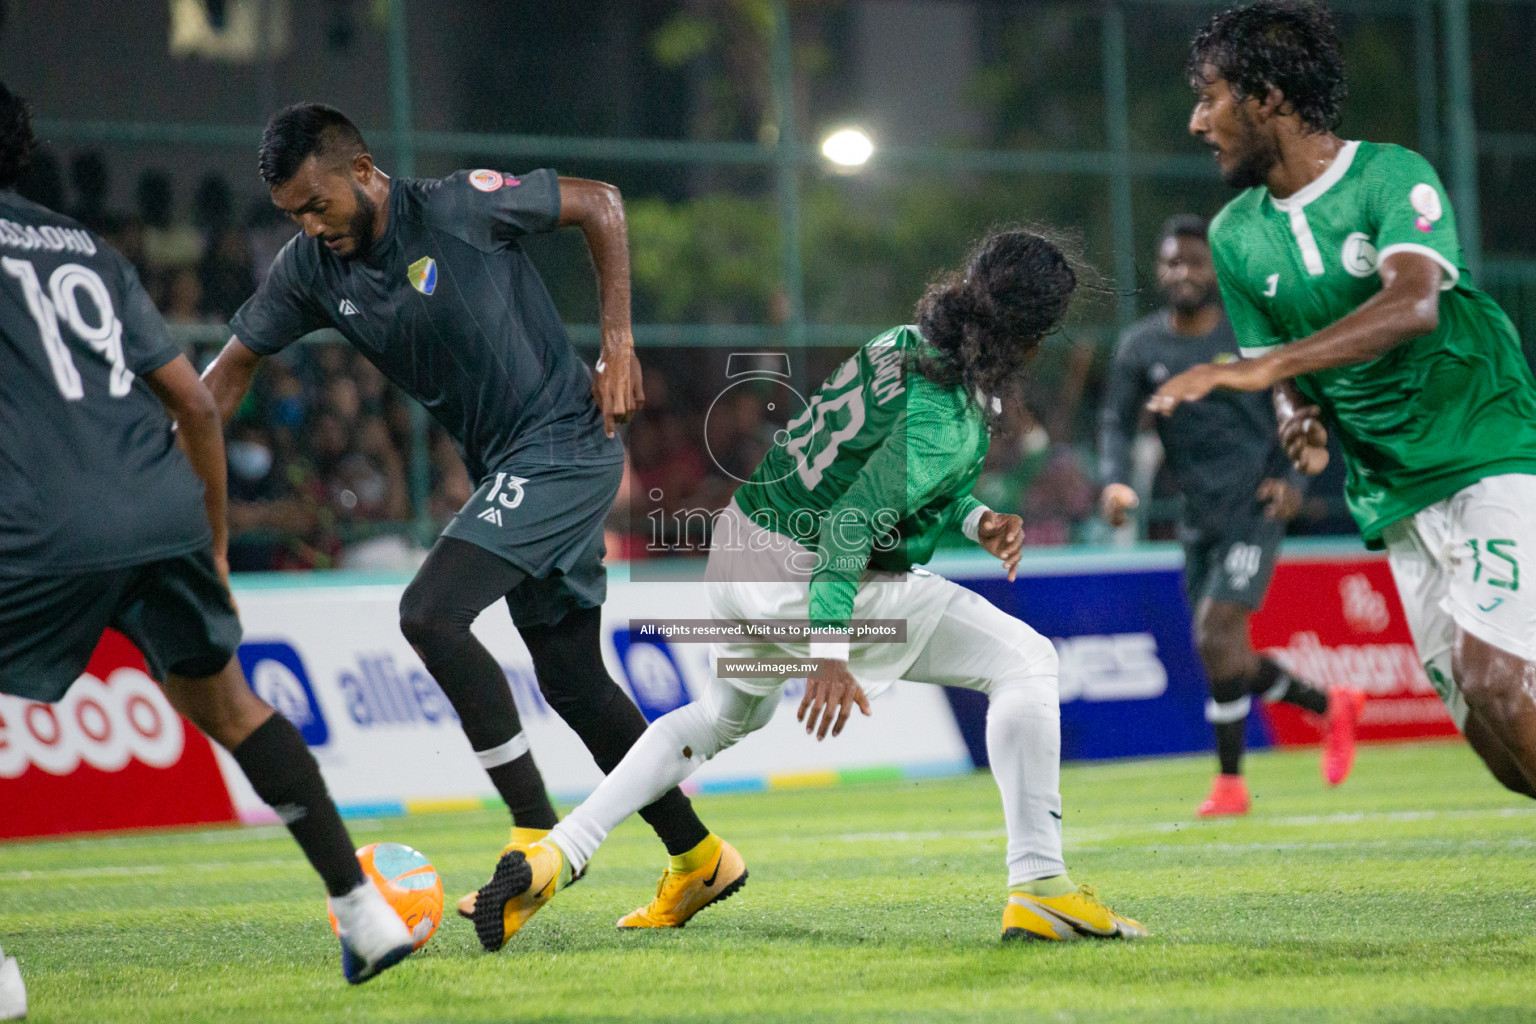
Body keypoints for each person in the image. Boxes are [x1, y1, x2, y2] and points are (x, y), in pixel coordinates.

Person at [468, 228, 1147, 947]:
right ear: (1032, 339)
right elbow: (854, 524)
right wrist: (829, 651)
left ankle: (558, 851)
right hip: (806, 575)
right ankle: (1041, 885)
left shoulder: (901, 343)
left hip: (742, 546)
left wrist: (976, 519)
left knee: (726, 718)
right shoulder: (948, 416)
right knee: (1026, 662)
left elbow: (868, 472)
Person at [200, 104, 742, 951]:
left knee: (429, 612)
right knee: (571, 680)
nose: (309, 227)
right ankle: (699, 856)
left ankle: (534, 836)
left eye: (317, 204)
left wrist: (618, 342)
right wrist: (162, 461)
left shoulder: (456, 206)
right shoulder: (312, 271)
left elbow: (600, 202)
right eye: (291, 215)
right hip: (513, 469)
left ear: (365, 171)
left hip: (565, 442)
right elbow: (225, 377)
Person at [0, 83, 414, 1001]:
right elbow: (193, 401)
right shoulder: (86, 250)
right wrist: (213, 546)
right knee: (231, 708)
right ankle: (362, 910)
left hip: (37, 520)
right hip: (157, 507)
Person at [1151, 0, 1536, 800]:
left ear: (1266, 96)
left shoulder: (1391, 175)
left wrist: (1266, 374)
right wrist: (1296, 416)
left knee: (1495, 675)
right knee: (1500, 745)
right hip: (1391, 493)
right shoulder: (1234, 235)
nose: (1197, 121)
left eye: (1210, 96)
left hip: (1487, 455)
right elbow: (1278, 372)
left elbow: (1415, 301)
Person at [1098, 214, 1360, 817]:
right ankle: (1329, 705)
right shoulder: (1142, 347)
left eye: (1193, 260)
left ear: (1214, 268)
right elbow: (1115, 420)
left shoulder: (1252, 337)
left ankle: (1230, 786)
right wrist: (1114, 481)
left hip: (1257, 506)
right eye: (1170, 262)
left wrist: (1295, 479)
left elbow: (1307, 406)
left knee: (1216, 634)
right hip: (1198, 516)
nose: (1181, 272)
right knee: (1225, 654)